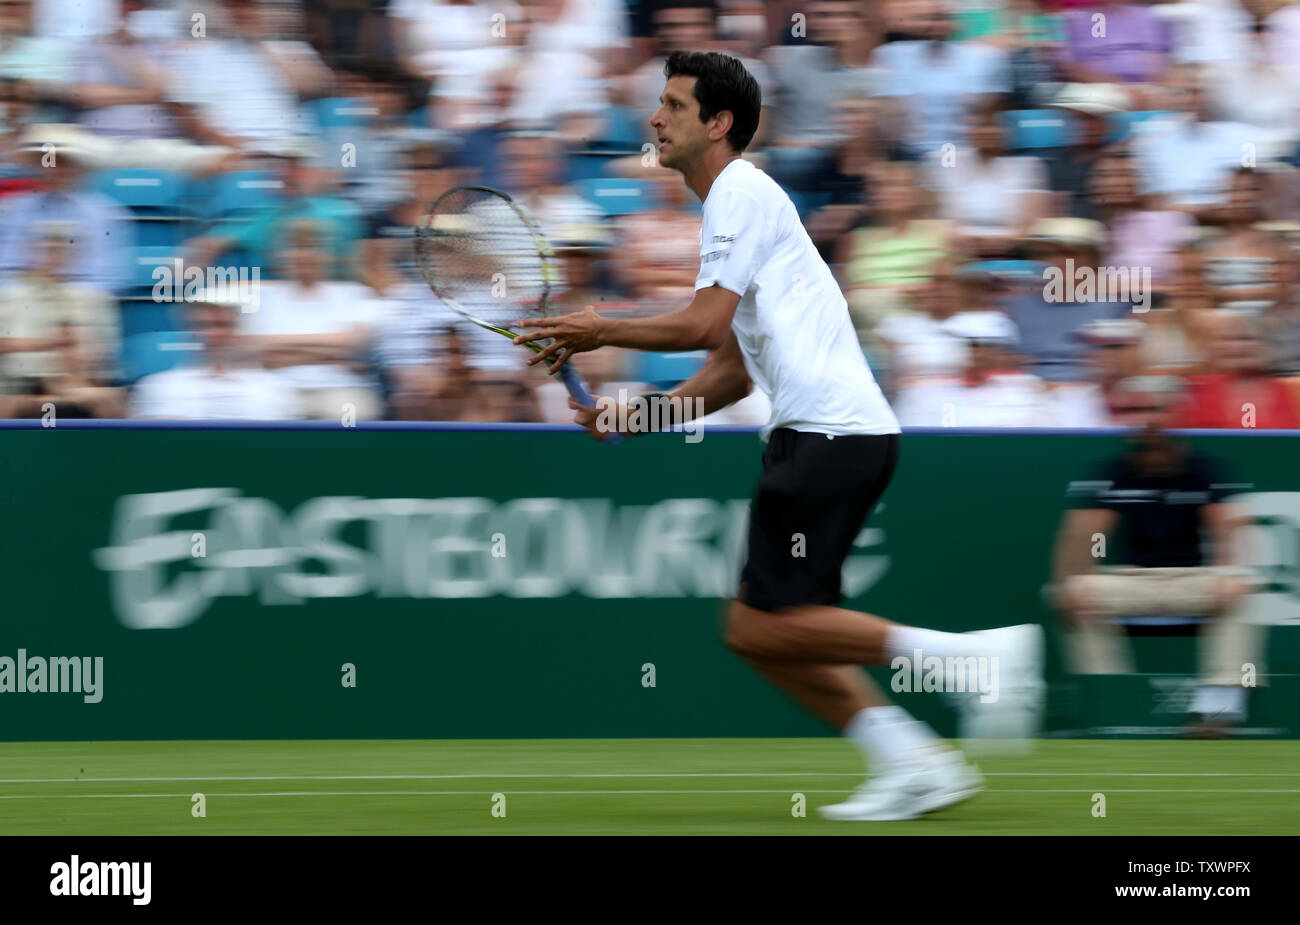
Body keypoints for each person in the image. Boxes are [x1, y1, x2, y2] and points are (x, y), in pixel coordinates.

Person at [513, 50, 1045, 821]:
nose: (654, 118)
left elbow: (701, 326)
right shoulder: (736, 206)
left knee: (766, 623)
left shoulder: (739, 192)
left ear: (718, 123)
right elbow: (731, 369)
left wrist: (601, 329)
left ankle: (970, 660)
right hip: (832, 434)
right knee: (763, 632)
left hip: (830, 433)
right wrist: (642, 413)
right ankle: (913, 758)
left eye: (672, 105)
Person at [1048, 374, 1262, 737]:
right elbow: (1084, 535)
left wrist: (1233, 575)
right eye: (1135, 411)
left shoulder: (1206, 470)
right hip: (1132, 582)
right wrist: (1070, 584)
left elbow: (1230, 530)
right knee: (1067, 594)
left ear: (1177, 415)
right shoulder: (1111, 473)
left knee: (1243, 593)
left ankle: (1217, 711)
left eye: (1154, 409)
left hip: (1194, 583)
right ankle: (1115, 705)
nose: (1145, 419)